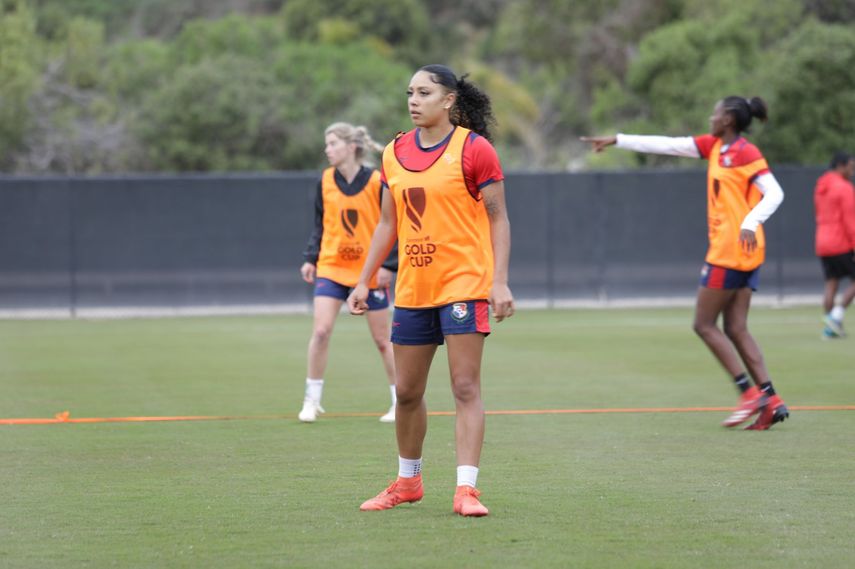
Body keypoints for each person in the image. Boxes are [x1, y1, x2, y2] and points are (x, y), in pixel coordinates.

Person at [346, 64, 514, 517]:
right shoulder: (393, 152)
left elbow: (498, 217)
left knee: (464, 387)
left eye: (424, 92)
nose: (413, 101)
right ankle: (407, 481)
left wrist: (498, 281)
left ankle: (466, 490)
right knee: (406, 392)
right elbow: (387, 223)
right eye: (409, 93)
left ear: (449, 101)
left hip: (463, 284)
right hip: (414, 289)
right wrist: (364, 279)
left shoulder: (475, 150)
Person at [582, 96, 789, 430]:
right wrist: (620, 140)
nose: (711, 116)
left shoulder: (744, 152)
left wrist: (750, 222)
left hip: (730, 250)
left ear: (729, 121)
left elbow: (775, 193)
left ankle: (748, 393)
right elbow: (669, 145)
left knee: (703, 324)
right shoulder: (716, 147)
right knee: (735, 327)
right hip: (747, 251)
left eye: (717, 112)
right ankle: (771, 399)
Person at [298, 122, 398, 423]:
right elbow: (321, 224)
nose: (327, 149)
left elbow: (392, 224)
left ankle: (399, 401)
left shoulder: (377, 181)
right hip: (331, 267)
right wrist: (311, 258)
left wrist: (387, 264)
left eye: (332, 144)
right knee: (321, 330)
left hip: (367, 274)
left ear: (351, 146)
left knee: (383, 340)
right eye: (326, 144)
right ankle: (311, 400)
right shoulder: (325, 180)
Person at [814, 151, 855, 339]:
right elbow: (850, 221)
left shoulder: (821, 185)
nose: (852, 171)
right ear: (841, 165)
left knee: (831, 284)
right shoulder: (844, 188)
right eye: (850, 167)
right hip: (840, 242)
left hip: (823, 242)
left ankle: (830, 328)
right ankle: (835, 317)